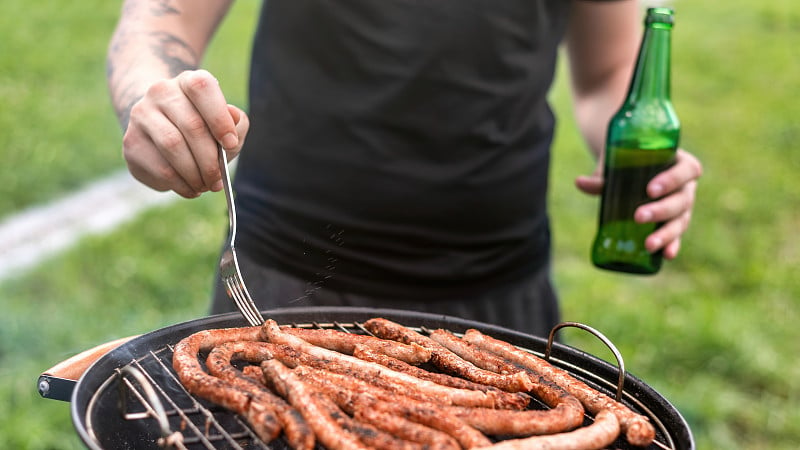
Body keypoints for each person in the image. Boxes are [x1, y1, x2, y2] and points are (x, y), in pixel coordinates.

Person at [107, 0, 702, 336]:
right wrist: (150, 97)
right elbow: (160, 21)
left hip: (496, 288)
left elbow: (607, 75)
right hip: (289, 280)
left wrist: (639, 157)